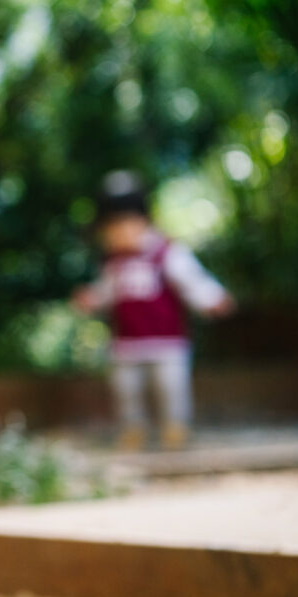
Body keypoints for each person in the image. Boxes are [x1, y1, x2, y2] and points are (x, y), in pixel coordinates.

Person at [72, 171, 234, 451]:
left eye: (122, 226)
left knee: (171, 387)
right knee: (126, 390)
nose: (116, 235)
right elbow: (106, 291)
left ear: (143, 220)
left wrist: (213, 298)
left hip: (167, 341)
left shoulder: (166, 253)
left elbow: (192, 281)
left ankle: (175, 426)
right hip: (127, 343)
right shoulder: (113, 262)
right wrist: (91, 299)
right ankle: (132, 428)